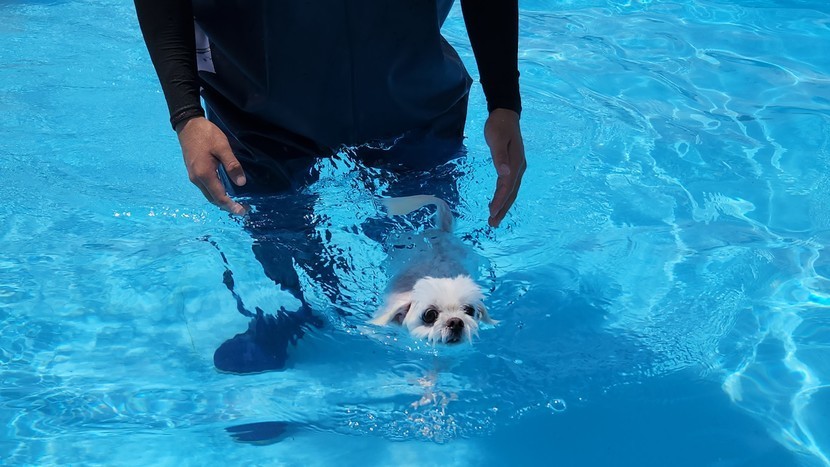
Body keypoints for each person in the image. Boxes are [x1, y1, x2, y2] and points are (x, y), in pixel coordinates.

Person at [133, 0, 527, 373]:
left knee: (423, 231)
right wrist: (186, 114)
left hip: (408, 88)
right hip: (258, 99)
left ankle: (423, 321)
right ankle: (284, 311)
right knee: (274, 226)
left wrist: (504, 102)